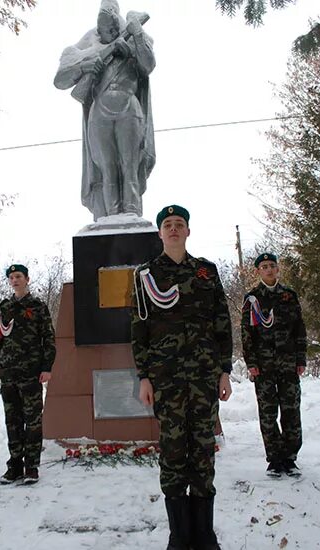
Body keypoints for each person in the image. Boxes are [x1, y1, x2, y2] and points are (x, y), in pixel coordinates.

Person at [131, 205, 233, 550]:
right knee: (173, 454)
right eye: (168, 225)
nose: (174, 229)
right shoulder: (145, 274)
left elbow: (222, 322)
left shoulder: (206, 272)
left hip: (204, 379)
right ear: (160, 233)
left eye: (180, 224)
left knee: (203, 452)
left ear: (188, 231)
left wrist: (224, 371)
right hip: (166, 381)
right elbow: (139, 330)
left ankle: (204, 532)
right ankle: (179, 533)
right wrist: (144, 377)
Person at [54, 0, 156, 221]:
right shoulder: (87, 45)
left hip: (129, 107)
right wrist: (85, 66)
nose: (109, 32)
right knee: (107, 168)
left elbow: (148, 65)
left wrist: (135, 38)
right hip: (99, 111)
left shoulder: (133, 33)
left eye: (112, 28)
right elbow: (60, 80)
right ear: (98, 29)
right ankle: (110, 218)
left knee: (129, 165)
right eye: (104, 29)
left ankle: (131, 214)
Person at [241, 253, 306, 478]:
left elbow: (299, 329)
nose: (269, 270)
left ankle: (290, 458)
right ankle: (274, 459)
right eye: (264, 267)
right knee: (268, 413)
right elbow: (246, 333)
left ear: (278, 269)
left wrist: (300, 359)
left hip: (288, 364)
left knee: (291, 411)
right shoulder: (252, 298)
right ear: (258, 271)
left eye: (272, 266)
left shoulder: (289, 296)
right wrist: (251, 363)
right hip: (264, 366)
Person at [0, 264, 56, 485]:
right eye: (11, 277)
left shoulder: (37, 307)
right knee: (13, 421)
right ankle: (15, 466)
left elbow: (48, 339)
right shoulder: (4, 308)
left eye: (18, 276)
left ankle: (32, 467)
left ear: (27, 279)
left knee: (33, 421)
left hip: (31, 373)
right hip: (8, 374)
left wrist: (47, 367)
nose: (14, 280)